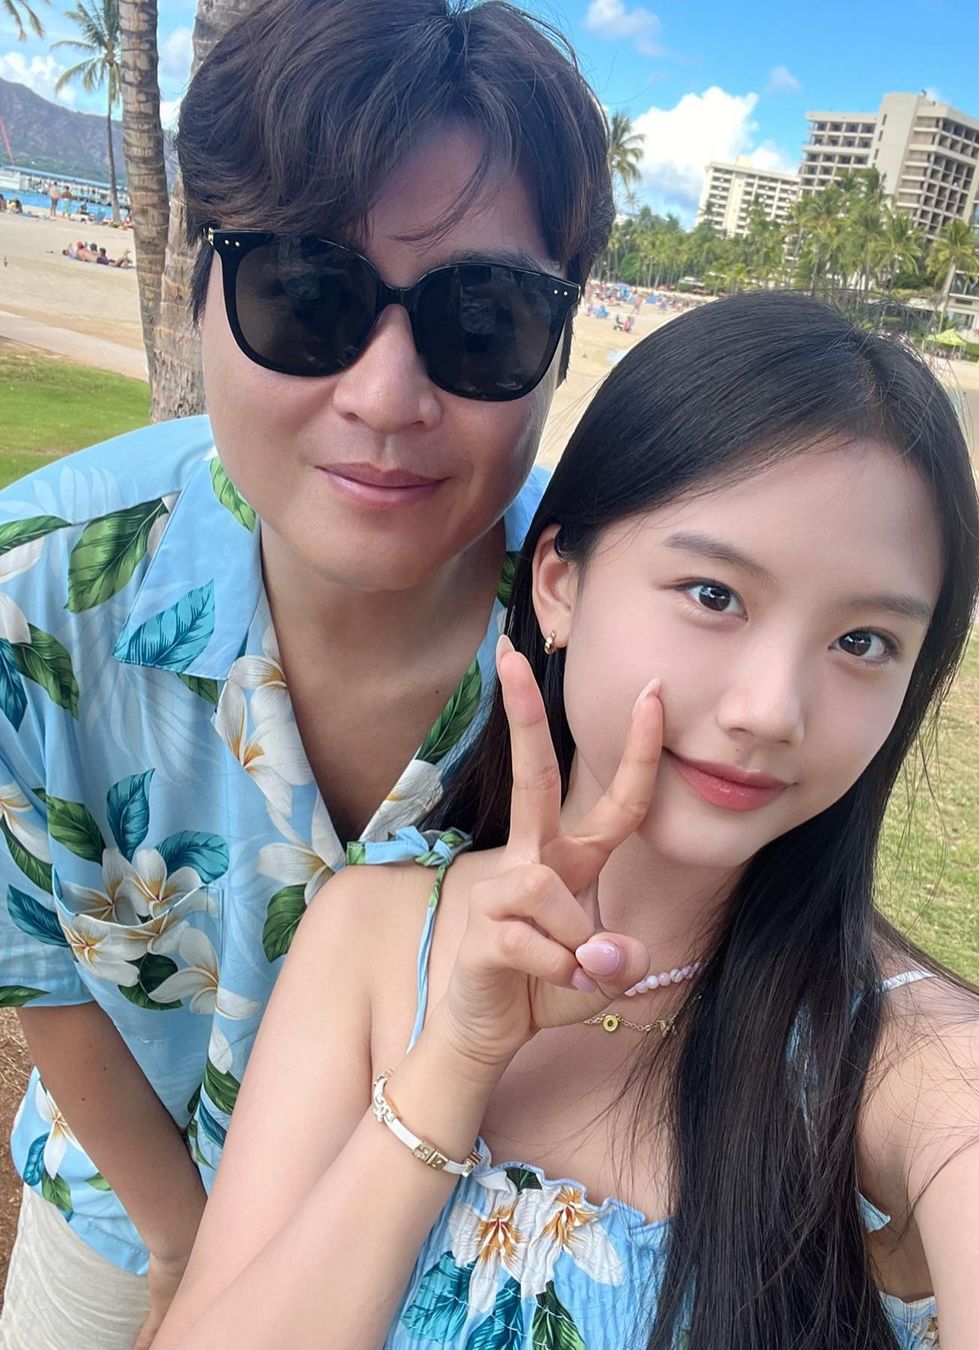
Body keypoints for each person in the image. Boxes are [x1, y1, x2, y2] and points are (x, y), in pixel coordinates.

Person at [155, 293, 979, 1350]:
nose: (771, 709)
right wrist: (451, 1066)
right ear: (558, 582)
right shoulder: (375, 934)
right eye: (714, 595)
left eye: (863, 642)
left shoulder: (929, 1068)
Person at [0, 1, 612, 1347]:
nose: (387, 396)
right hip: (123, 1206)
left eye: (483, 320)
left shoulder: (618, 638)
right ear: (201, 291)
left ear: (558, 349)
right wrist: (183, 1242)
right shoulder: (32, 593)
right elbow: (36, 958)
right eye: (306, 292)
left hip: (445, 1245)